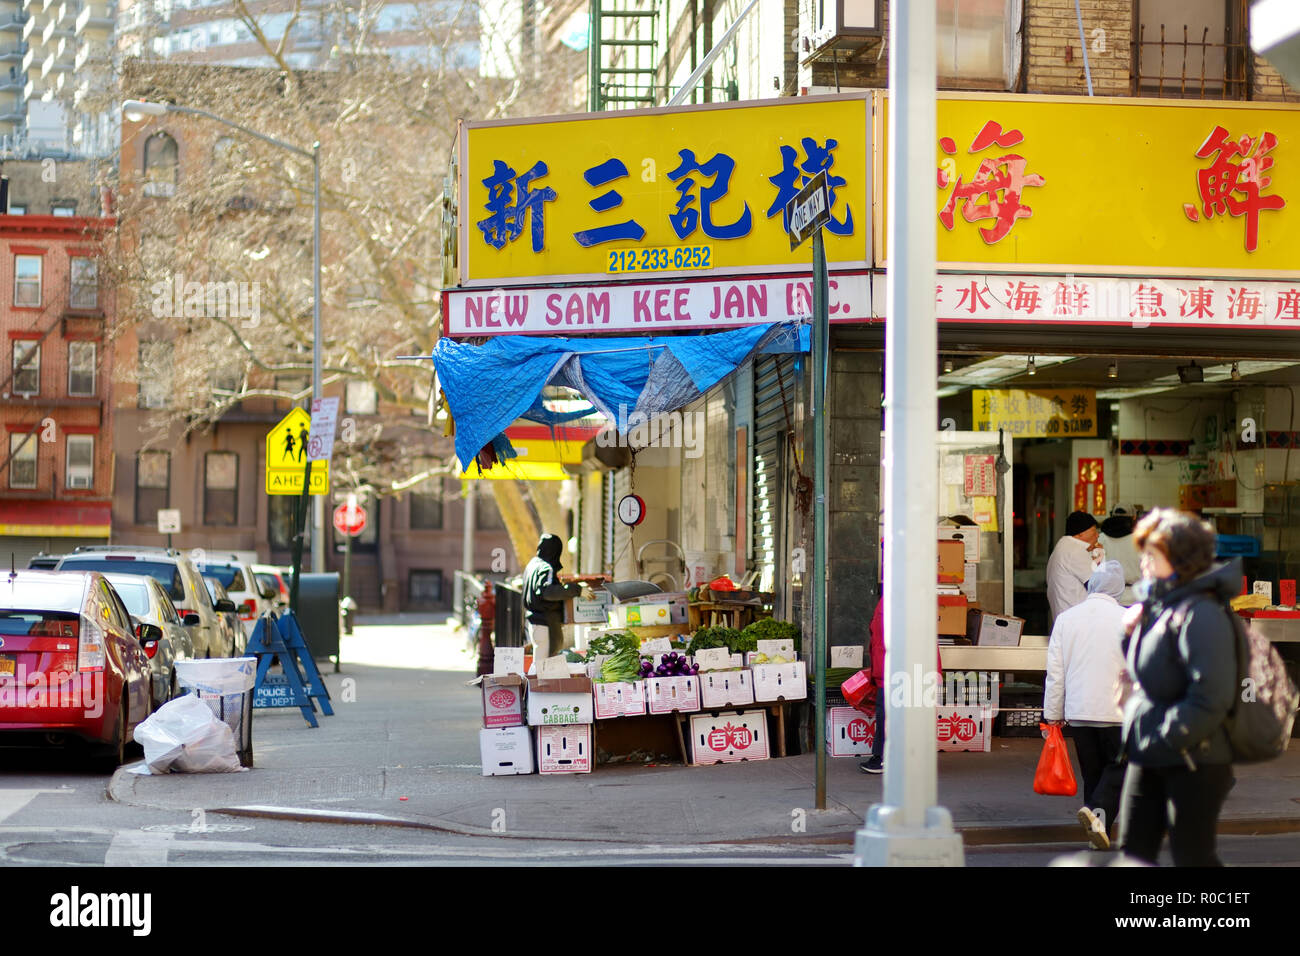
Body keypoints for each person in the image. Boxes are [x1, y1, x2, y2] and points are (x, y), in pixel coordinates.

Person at [1116, 509, 1239, 867]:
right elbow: (1148, 670)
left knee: (1193, 856)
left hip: (1193, 756)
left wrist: (1166, 738)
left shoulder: (1202, 613)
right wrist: (1128, 635)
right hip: (1150, 749)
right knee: (1134, 852)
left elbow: (1211, 696)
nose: (1143, 563)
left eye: (1151, 555)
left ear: (1181, 559)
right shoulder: (1157, 606)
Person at [1043, 561, 1128, 850]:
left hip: (1078, 713)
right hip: (1118, 711)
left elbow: (1055, 672)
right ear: (1118, 589)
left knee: (1094, 772)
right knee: (1121, 766)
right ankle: (1097, 815)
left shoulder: (1067, 619)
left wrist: (1052, 715)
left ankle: (1098, 831)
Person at [522, 533, 583, 674]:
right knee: (543, 666)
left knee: (539, 663)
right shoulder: (546, 568)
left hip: (534, 621)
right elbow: (548, 592)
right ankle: (535, 694)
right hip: (545, 622)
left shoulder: (532, 564)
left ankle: (532, 693)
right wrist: (577, 590)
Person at [1046, 511, 1103, 624]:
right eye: (1094, 530)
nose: (1097, 535)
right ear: (1080, 533)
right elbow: (1098, 586)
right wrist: (1100, 557)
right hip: (1077, 622)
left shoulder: (1064, 546)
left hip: (1067, 620)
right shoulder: (1075, 550)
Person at [1098, 508, 1142, 606]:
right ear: (1133, 519)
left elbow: (1094, 569)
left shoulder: (1101, 539)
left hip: (1108, 596)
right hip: (1134, 597)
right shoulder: (1137, 540)